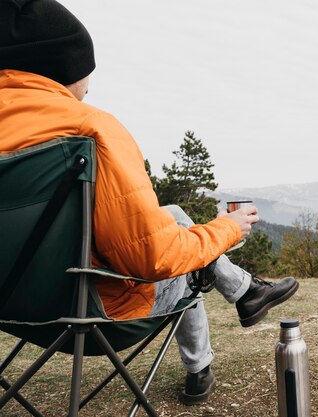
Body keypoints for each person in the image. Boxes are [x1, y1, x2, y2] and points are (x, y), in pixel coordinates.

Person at [0, 0, 299, 406]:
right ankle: (205, 360)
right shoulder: (89, 129)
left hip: (13, 312)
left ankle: (244, 291)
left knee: (173, 216)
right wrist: (228, 230)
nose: (88, 86)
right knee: (188, 252)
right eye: (87, 73)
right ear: (62, 67)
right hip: (95, 313)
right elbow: (153, 258)